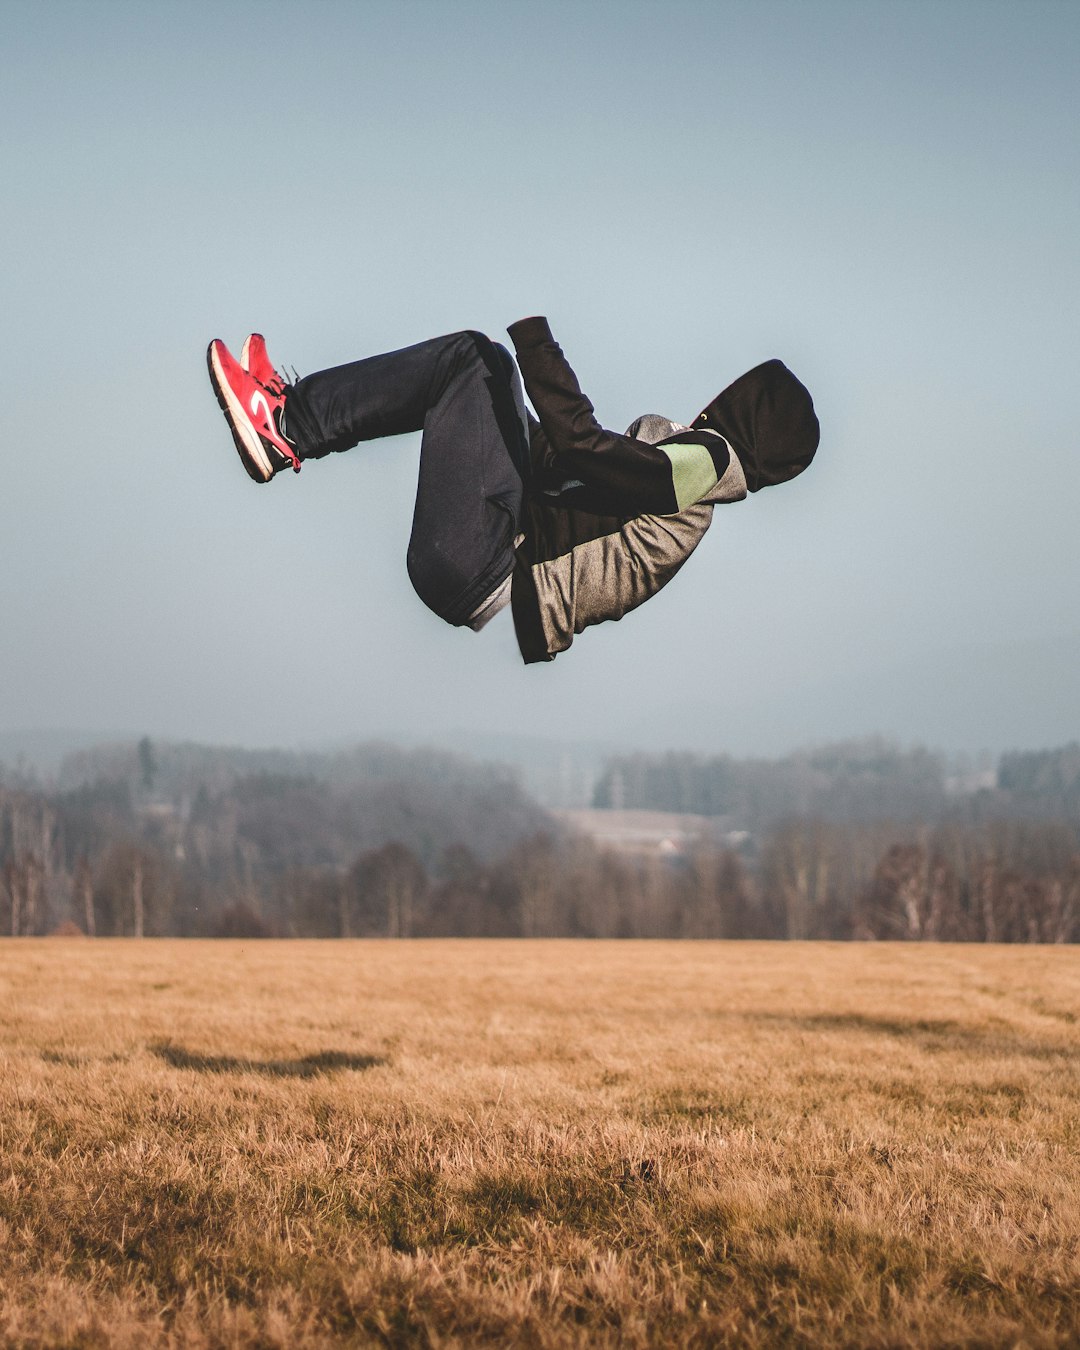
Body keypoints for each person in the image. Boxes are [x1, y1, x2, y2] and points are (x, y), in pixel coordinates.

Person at [206, 319, 819, 664]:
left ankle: (286, 427)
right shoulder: (690, 474)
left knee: (474, 359)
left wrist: (534, 337)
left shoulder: (701, 468)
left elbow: (579, 444)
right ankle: (291, 420)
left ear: (745, 413)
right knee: (484, 365)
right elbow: (559, 462)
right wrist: (513, 385)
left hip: (484, 561)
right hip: (484, 554)